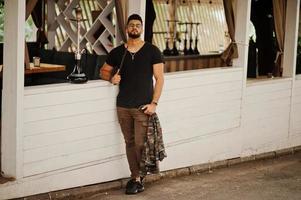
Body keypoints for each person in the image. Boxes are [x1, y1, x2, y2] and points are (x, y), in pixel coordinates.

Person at [100, 14, 164, 195]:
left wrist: (154, 103)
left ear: (142, 28)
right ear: (126, 29)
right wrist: (111, 78)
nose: (134, 28)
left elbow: (159, 79)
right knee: (129, 142)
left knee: (140, 144)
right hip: (123, 106)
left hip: (143, 107)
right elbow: (103, 71)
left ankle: (139, 177)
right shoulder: (117, 52)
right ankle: (135, 177)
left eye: (138, 25)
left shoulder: (152, 51)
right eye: (131, 25)